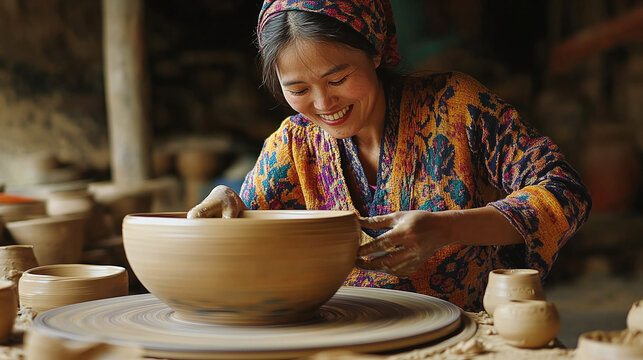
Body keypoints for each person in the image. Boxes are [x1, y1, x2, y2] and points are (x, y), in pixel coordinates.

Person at [188, 0, 591, 311]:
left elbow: (565, 191)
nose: (324, 102)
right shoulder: (294, 145)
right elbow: (241, 244)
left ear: (376, 52)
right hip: (342, 341)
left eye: (338, 78)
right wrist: (229, 202)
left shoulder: (455, 107)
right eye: (298, 89)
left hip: (460, 336)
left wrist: (445, 229)